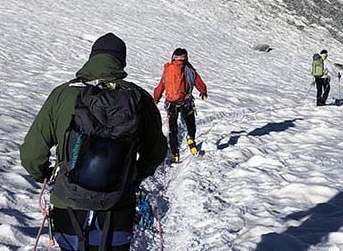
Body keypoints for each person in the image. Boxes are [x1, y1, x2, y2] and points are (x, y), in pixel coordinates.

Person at [20, 33, 167, 251]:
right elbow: (156, 152)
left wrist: (47, 175)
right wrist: (134, 176)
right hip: (118, 206)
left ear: (91, 58)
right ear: (121, 62)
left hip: (68, 205)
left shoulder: (62, 94)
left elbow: (32, 155)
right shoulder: (138, 98)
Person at [152, 47, 208, 163]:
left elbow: (160, 86)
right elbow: (199, 83)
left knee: (173, 129)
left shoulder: (167, 70)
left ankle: (175, 154)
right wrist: (203, 92)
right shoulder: (189, 70)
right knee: (190, 124)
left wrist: (156, 99)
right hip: (186, 102)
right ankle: (190, 138)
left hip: (171, 104)